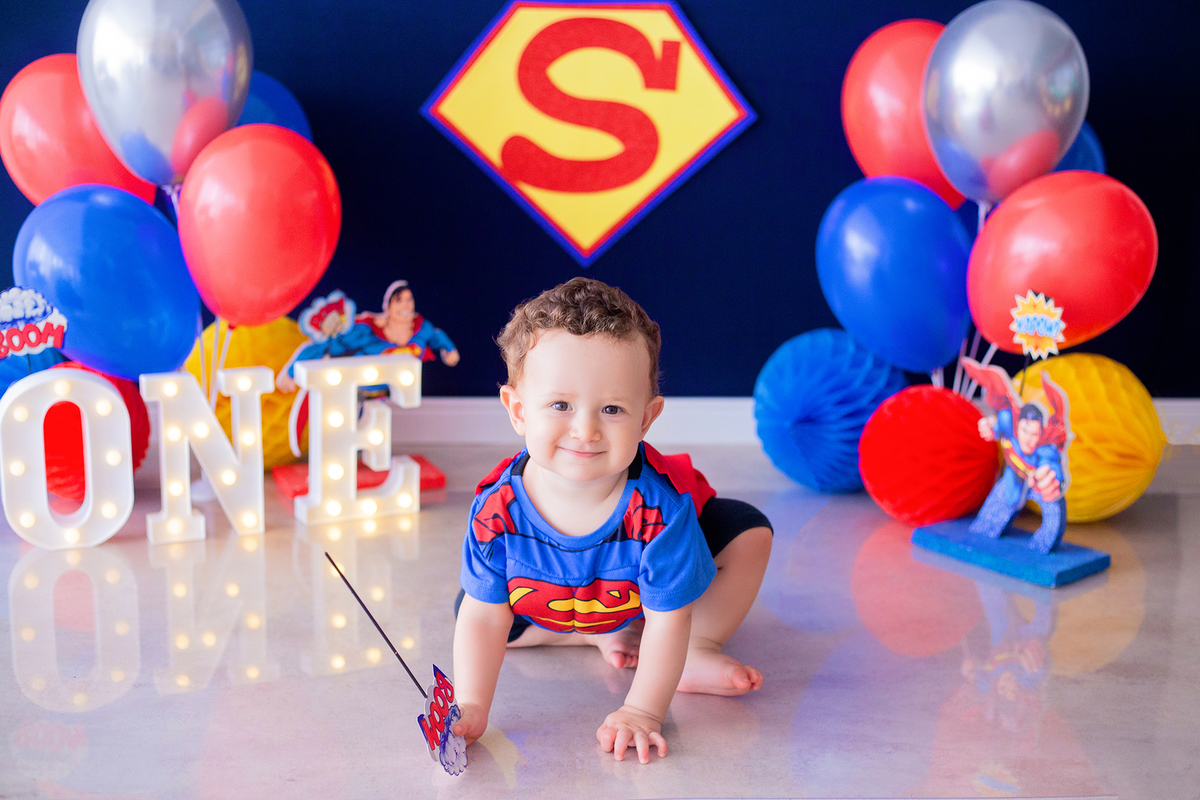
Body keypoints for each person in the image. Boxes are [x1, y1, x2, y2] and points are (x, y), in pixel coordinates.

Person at [451, 278, 773, 764]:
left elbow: (667, 619)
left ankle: (697, 648)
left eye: (612, 409)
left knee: (747, 528)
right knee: (473, 609)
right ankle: (586, 631)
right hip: (547, 603)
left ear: (646, 419)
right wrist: (471, 704)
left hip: (642, 605)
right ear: (518, 411)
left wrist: (642, 710)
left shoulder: (660, 512)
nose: (585, 429)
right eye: (560, 405)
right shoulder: (495, 513)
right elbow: (484, 616)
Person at [361, 280, 459, 366]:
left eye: (409, 300)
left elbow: (436, 336)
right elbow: (348, 338)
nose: (405, 306)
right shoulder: (369, 332)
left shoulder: (421, 329)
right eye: (399, 301)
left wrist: (450, 349)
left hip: (410, 382)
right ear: (388, 307)